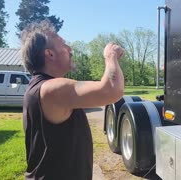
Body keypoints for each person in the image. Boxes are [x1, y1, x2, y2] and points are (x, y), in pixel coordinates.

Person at [21, 20, 124, 180]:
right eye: (64, 44)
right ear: (50, 54)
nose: (70, 49)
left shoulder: (40, 87)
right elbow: (111, 90)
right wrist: (110, 55)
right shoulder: (51, 89)